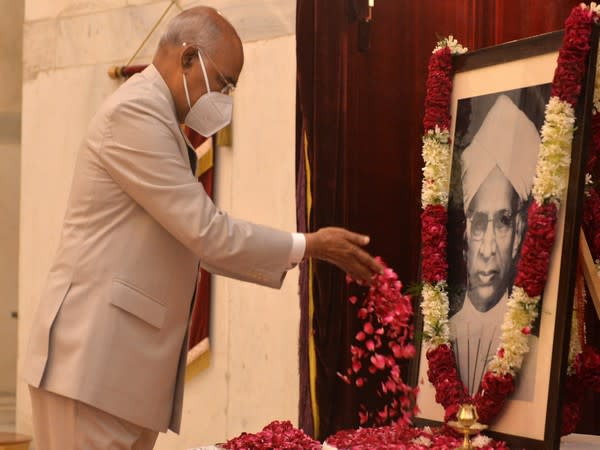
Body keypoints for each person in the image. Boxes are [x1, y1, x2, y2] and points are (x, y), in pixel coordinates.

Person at [21, 7, 383, 450]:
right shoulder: (136, 113)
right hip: (92, 367)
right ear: (188, 57)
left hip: (117, 374)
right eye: (225, 82)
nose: (227, 97)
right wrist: (308, 244)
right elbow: (207, 234)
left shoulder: (159, 118)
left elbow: (203, 246)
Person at [449, 94, 539, 400]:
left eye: (502, 221)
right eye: (478, 225)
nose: (487, 248)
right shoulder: (438, 341)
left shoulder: (537, 354)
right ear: (464, 235)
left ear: (517, 235)